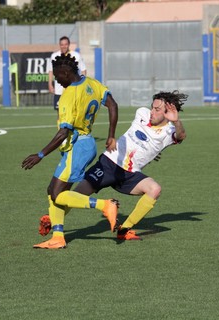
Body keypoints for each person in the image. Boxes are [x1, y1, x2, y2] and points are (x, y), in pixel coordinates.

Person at [40, 90, 188, 241]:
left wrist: (175, 121)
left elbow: (181, 136)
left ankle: (124, 229)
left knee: (155, 189)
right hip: (109, 163)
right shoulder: (142, 113)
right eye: (152, 107)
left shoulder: (170, 131)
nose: (151, 112)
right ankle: (51, 219)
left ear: (168, 112)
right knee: (77, 194)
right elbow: (144, 139)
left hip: (130, 174)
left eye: (157, 110)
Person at [22, 53, 118, 249]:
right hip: (86, 143)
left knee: (57, 193)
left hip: (78, 146)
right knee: (53, 191)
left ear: (66, 72)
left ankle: (105, 205)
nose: (57, 81)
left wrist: (40, 155)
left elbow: (64, 132)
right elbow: (112, 105)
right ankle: (57, 236)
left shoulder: (68, 96)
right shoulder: (92, 83)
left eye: (58, 77)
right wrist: (110, 135)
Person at [48, 36, 87, 116]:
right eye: (62, 44)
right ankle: (60, 128)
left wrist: (81, 85)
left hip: (73, 90)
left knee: (73, 113)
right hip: (59, 91)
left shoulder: (76, 55)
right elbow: (50, 71)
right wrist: (50, 84)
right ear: (59, 45)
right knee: (59, 114)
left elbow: (83, 70)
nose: (64, 46)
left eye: (65, 44)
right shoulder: (54, 56)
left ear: (68, 45)